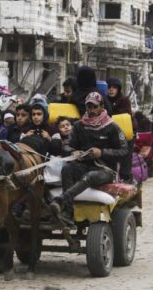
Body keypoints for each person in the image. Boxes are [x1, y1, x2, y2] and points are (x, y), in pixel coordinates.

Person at [50, 92, 129, 225]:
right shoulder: (78, 126)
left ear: (102, 107)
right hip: (84, 164)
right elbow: (66, 146)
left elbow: (124, 151)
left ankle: (61, 200)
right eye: (89, 107)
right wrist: (74, 152)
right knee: (67, 169)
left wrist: (102, 153)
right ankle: (68, 213)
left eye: (95, 107)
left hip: (106, 169)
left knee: (90, 176)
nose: (91, 110)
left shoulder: (112, 127)